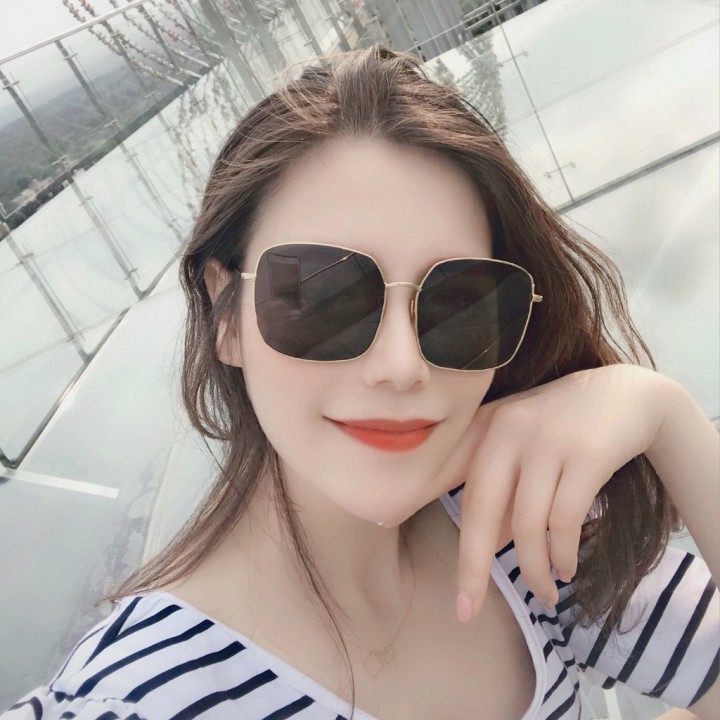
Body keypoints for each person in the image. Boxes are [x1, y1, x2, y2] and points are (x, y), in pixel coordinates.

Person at [3, 45, 718, 720]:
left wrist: (664, 416)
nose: (402, 365)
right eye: (324, 296)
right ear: (228, 316)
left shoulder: (520, 535)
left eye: (461, 301)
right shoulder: (135, 697)